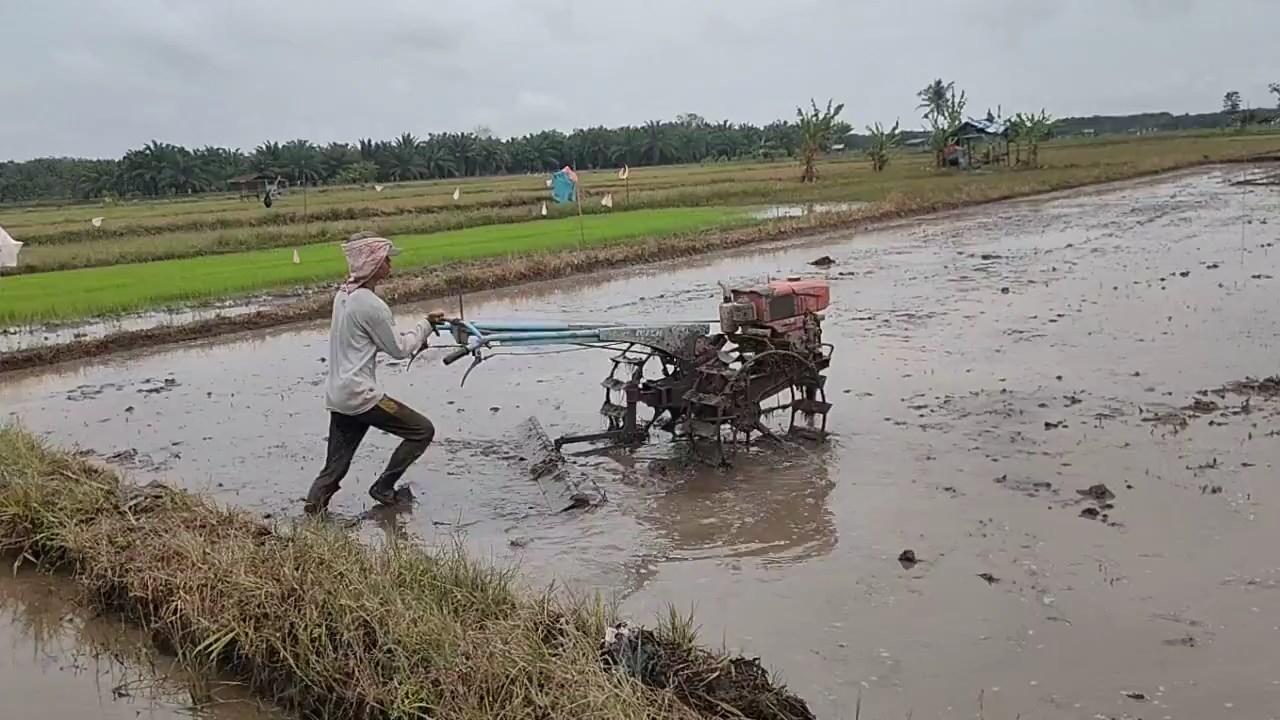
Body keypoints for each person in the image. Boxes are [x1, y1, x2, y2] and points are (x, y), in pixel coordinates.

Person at [304, 231, 437, 516]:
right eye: (386, 259)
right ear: (373, 263)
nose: (391, 264)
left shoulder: (343, 295)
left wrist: (417, 335)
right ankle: (384, 487)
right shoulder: (370, 305)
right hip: (362, 397)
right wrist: (426, 325)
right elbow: (399, 349)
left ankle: (312, 515)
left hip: (339, 394)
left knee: (334, 467)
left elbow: (374, 340)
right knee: (422, 430)